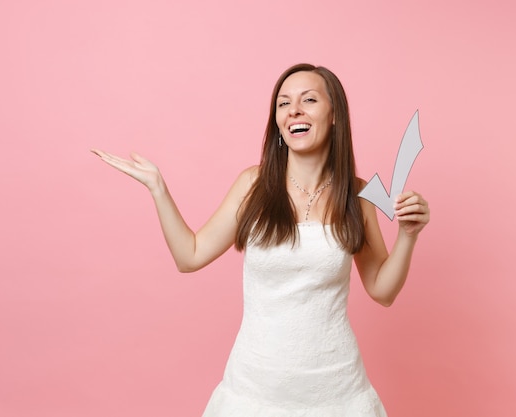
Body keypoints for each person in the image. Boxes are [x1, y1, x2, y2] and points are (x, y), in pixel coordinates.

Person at [92, 63, 430, 416]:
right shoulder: (253, 186)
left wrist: (408, 236)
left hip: (337, 392)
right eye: (283, 104)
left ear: (334, 116)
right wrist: (158, 188)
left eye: (309, 99)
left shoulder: (358, 193)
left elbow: (382, 290)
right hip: (255, 391)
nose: (294, 110)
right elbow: (189, 256)